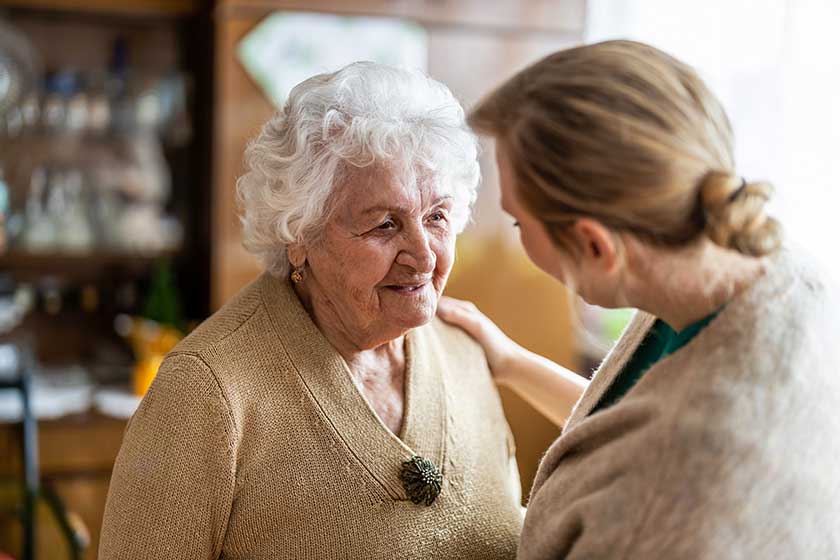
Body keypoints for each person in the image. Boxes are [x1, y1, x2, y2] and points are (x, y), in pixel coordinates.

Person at [99, 62, 523, 560]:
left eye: (437, 217)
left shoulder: (466, 352)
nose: (425, 256)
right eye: (385, 224)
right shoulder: (206, 394)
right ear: (299, 235)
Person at [438, 40, 840, 558]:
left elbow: (655, 461)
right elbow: (625, 430)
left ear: (594, 245)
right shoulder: (756, 265)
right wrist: (510, 362)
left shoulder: (685, 491)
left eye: (518, 221)